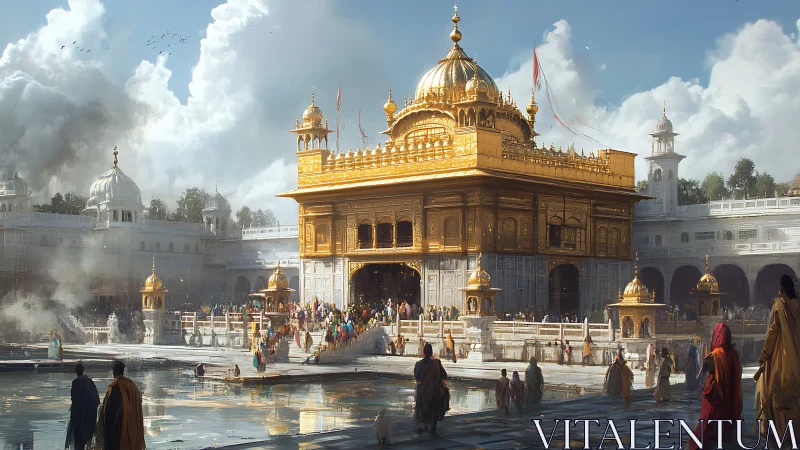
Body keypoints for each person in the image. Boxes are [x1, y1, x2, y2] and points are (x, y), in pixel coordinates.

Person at [755, 274, 800, 439]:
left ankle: (782, 432)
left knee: (778, 392)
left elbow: (773, 333)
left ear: (781, 288)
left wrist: (764, 355)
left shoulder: (779, 305)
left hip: (783, 355)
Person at [688, 322, 742, 450]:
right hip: (729, 396)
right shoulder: (734, 355)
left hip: (714, 396)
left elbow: (706, 369)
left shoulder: (715, 355)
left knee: (708, 422)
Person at [95, 360, 145, 450]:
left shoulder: (114, 387)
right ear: (122, 371)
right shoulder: (132, 386)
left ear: (113, 372)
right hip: (131, 429)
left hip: (117, 431)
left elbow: (109, 413)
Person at [414, 343, 448, 434]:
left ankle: (425, 424)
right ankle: (433, 426)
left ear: (424, 352)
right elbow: (444, 375)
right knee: (436, 407)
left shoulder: (419, 364)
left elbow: (417, 376)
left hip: (423, 392)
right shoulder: (436, 363)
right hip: (435, 391)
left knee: (423, 408)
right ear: (431, 352)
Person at [65, 363, 100, 450]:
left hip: (79, 417)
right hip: (89, 415)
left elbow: (74, 400)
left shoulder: (76, 383)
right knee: (88, 440)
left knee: (79, 442)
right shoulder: (90, 382)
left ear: (76, 371)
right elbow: (96, 399)